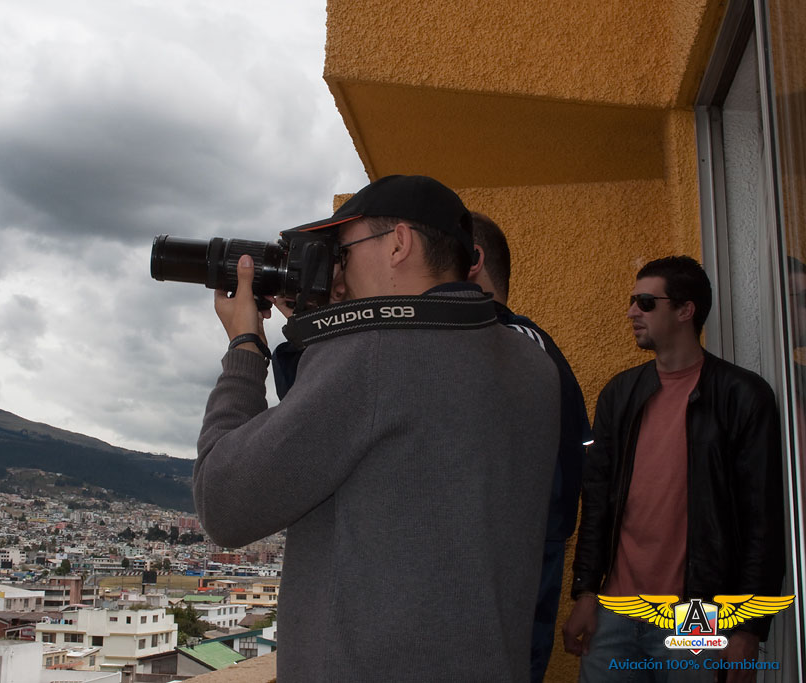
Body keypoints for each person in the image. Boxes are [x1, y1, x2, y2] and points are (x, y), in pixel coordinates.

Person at [195, 175, 560, 681]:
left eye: (343, 250)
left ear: (398, 243)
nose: (337, 271)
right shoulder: (532, 363)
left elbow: (224, 503)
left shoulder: (373, 356)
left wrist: (245, 348)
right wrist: (330, 330)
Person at [562, 256, 784, 682]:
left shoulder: (741, 396)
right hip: (616, 608)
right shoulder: (620, 394)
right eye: (632, 301)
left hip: (696, 612)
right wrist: (586, 593)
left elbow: (763, 522)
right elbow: (597, 505)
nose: (631, 312)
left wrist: (748, 628)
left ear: (686, 310)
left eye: (646, 302)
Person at [469, 213, 591, 682]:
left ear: (474, 262)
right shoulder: (533, 344)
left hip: (512, 558)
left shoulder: (512, 340)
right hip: (520, 552)